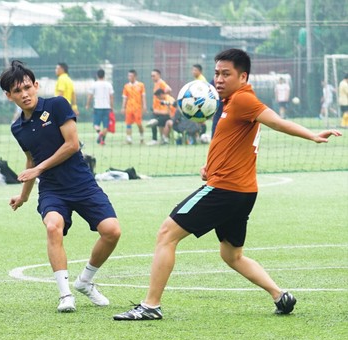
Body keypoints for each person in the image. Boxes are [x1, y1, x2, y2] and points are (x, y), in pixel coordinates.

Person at [113, 48, 342, 321]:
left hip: (225, 190)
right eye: (217, 73)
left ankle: (150, 306)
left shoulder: (244, 99)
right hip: (242, 191)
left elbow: (277, 122)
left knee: (166, 234)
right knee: (232, 255)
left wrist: (313, 135)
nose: (219, 79)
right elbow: (232, 142)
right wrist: (211, 167)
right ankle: (279, 295)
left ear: (243, 76)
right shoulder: (229, 102)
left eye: (226, 74)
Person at [0, 60, 121, 313]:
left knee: (112, 231)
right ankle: (65, 295)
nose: (24, 94)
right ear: (8, 95)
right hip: (52, 190)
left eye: (27, 87)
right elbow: (31, 160)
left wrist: (39, 168)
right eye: (17, 91)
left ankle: (85, 281)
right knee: (53, 226)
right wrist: (23, 197)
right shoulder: (17, 128)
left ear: (36, 85)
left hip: (82, 183)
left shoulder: (56, 106)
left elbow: (72, 145)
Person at [86, 69, 114, 145]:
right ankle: (103, 140)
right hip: (107, 107)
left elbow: (90, 96)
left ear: (97, 75)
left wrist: (88, 104)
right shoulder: (108, 84)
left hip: (97, 107)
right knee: (106, 125)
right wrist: (112, 106)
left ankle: (100, 133)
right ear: (104, 75)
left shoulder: (94, 84)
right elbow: (111, 96)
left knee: (96, 124)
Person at [121, 70, 146, 144]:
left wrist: (144, 105)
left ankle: (142, 137)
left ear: (135, 76)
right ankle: (129, 139)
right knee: (128, 123)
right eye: (128, 76)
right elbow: (124, 97)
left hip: (137, 108)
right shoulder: (126, 86)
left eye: (131, 76)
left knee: (139, 124)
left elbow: (143, 96)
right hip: (129, 108)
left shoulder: (141, 85)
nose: (129, 77)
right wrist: (123, 107)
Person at [149, 69, 172, 145]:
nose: (152, 77)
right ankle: (157, 138)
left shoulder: (161, 82)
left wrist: (163, 96)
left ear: (159, 75)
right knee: (153, 121)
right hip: (157, 108)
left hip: (162, 109)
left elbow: (169, 89)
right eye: (151, 76)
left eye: (154, 76)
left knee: (155, 122)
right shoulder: (156, 84)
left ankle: (156, 139)